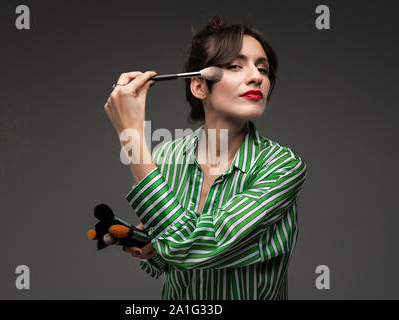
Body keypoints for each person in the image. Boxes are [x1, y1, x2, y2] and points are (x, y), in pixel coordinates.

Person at [103, 15, 307, 300]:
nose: (257, 76)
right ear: (199, 86)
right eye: (236, 65)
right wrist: (152, 246)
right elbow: (174, 262)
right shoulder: (167, 156)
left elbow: (193, 246)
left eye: (263, 69)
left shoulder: (282, 167)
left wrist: (132, 137)